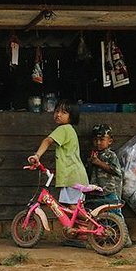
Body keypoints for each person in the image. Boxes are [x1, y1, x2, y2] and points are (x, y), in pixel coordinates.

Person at [28, 99, 89, 247]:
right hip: (73, 175)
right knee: (69, 207)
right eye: (57, 111)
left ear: (71, 116)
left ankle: (91, 223)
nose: (58, 114)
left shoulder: (64, 129)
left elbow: (47, 141)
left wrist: (36, 156)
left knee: (73, 207)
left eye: (64, 112)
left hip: (72, 177)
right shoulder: (69, 131)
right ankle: (79, 234)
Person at [86, 124, 132, 247]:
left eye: (102, 140)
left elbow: (116, 171)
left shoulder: (111, 155)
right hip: (97, 192)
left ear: (110, 141)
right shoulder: (93, 155)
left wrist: (98, 163)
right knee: (101, 217)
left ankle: (125, 240)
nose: (98, 143)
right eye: (96, 140)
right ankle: (105, 240)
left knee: (115, 215)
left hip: (110, 191)